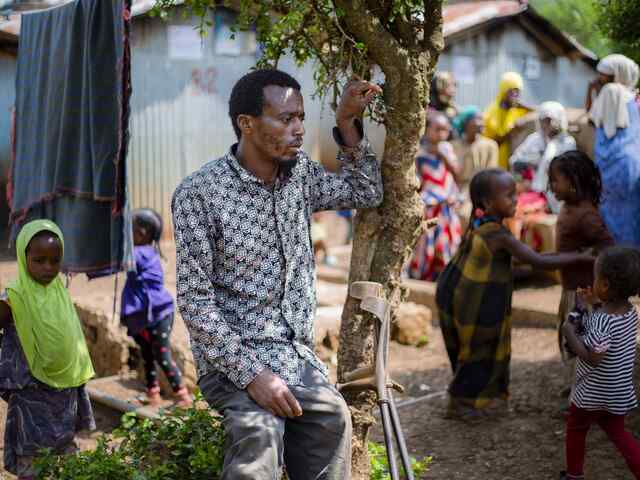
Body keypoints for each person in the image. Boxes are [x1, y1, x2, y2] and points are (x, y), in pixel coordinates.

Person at [172, 69, 383, 480]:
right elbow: (195, 302)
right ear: (246, 124)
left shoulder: (300, 175)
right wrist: (253, 376)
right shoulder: (200, 194)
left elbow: (365, 193)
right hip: (235, 362)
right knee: (260, 438)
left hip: (295, 356)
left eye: (301, 118)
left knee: (332, 417)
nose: (299, 129)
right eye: (286, 119)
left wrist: (344, 122)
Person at [435, 169, 592, 421]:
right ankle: (459, 403)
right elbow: (538, 260)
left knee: (473, 349)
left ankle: (470, 399)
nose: (515, 201)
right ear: (487, 203)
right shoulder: (497, 234)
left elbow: (529, 261)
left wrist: (570, 257)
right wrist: (581, 258)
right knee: (479, 350)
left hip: (459, 293)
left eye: (515, 194)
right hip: (475, 302)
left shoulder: (482, 224)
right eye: (509, 196)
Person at [0, 220, 96, 480]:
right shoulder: (13, 297)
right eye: (39, 260)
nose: (48, 268)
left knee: (62, 450)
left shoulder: (59, 292)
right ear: (23, 257)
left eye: (55, 261)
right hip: (31, 390)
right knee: (32, 455)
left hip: (63, 390)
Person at [561, 247, 640, 479]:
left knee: (576, 429)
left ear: (604, 285)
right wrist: (593, 304)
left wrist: (569, 333)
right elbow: (608, 333)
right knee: (619, 434)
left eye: (596, 279)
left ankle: (574, 475)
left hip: (591, 394)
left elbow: (594, 357)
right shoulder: (631, 313)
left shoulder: (601, 322)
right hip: (617, 392)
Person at [548, 151, 614, 387]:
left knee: (581, 341)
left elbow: (608, 249)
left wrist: (587, 259)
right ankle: (582, 388)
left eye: (556, 180)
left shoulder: (586, 215)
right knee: (572, 339)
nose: (551, 186)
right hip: (571, 289)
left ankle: (589, 392)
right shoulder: (569, 206)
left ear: (574, 181)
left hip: (583, 293)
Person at [120, 208, 192, 408]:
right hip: (145, 316)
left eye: (130, 229)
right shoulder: (144, 252)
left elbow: (120, 258)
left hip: (158, 315)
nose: (127, 233)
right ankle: (153, 393)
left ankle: (183, 396)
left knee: (162, 355)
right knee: (148, 355)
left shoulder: (140, 253)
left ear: (141, 233)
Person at [589, 59, 640, 247]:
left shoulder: (611, 91)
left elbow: (591, 118)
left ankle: (618, 264)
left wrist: (590, 90)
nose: (599, 78)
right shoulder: (633, 96)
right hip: (632, 163)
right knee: (631, 215)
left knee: (614, 216)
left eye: (603, 74)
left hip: (614, 164)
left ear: (615, 75)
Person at [408, 111, 462, 281]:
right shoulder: (419, 153)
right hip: (429, 204)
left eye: (445, 130)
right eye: (437, 129)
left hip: (447, 203)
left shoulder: (447, 149)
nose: (441, 134)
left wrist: (444, 156)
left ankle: (445, 273)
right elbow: (417, 180)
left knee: (448, 239)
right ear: (426, 129)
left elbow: (456, 173)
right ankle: (424, 273)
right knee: (427, 239)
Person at [451, 105, 499, 224]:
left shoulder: (490, 146)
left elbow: (489, 176)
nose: (482, 123)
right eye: (477, 119)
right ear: (466, 123)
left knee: (463, 215)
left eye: (482, 120)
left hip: (479, 191)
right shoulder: (453, 146)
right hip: (454, 189)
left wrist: (466, 196)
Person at [483, 71, 532, 170]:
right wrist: (511, 132)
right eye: (511, 91)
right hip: (496, 165)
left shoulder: (519, 110)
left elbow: (541, 113)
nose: (515, 95)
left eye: (517, 91)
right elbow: (490, 144)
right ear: (503, 92)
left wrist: (524, 105)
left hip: (514, 166)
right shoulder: (491, 113)